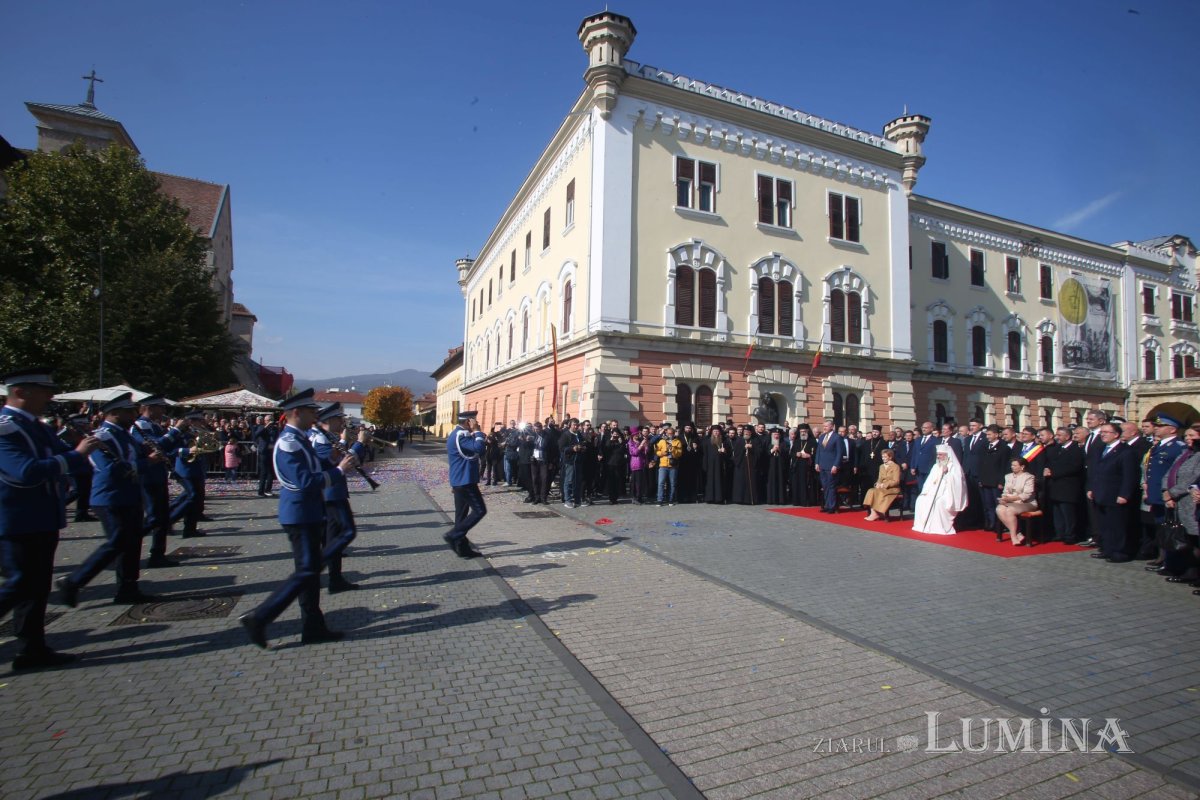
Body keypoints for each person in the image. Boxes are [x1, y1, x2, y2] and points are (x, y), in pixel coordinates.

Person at [239, 389, 358, 648]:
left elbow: (318, 466)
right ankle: (259, 617)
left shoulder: (300, 439)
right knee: (306, 571)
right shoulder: (289, 443)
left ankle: (313, 627)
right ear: (296, 412)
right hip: (299, 514)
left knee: (310, 575)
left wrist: (342, 457)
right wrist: (339, 471)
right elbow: (304, 482)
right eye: (310, 411)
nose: (315, 416)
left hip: (310, 513)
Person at [0, 368, 98, 670]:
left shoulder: (37, 427)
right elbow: (25, 472)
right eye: (44, 391)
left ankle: (31, 649)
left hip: (43, 516)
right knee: (20, 583)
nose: (50, 397)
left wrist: (81, 447)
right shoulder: (6, 428)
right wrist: (77, 454)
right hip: (16, 518)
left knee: (37, 588)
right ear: (21, 392)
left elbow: (71, 459)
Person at [57, 392, 157, 607]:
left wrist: (147, 455)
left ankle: (128, 588)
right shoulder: (102, 436)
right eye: (129, 412)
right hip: (110, 496)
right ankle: (73, 581)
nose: (134, 415)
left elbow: (133, 459)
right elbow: (110, 469)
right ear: (114, 413)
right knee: (117, 542)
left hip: (130, 494)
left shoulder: (124, 434)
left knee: (132, 543)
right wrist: (146, 462)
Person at [309, 403, 363, 594]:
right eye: (339, 419)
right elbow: (336, 462)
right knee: (338, 536)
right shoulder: (320, 439)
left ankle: (334, 577)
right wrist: (358, 443)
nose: (342, 423)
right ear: (330, 420)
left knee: (333, 538)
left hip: (331, 492)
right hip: (330, 494)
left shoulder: (326, 436)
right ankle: (325, 576)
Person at [1086, 422, 1137, 562]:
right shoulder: (1101, 449)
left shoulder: (1125, 451)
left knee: (1117, 526)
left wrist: (1124, 494)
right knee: (1104, 525)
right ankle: (1107, 549)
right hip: (1101, 493)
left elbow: (1129, 475)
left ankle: (1120, 552)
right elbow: (1096, 472)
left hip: (1115, 494)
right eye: (1101, 432)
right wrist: (1092, 488)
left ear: (1116, 434)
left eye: (1106, 432)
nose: (1102, 435)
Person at [445, 410, 487, 558]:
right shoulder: (461, 435)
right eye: (474, 420)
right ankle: (453, 535)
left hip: (460, 480)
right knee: (480, 510)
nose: (476, 422)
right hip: (465, 480)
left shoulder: (458, 434)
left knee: (461, 516)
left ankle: (462, 547)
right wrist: (477, 432)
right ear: (468, 421)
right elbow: (479, 449)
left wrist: (477, 435)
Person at [912, 444, 968, 535]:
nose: (938, 456)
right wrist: (926, 491)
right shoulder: (936, 466)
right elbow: (929, 481)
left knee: (938, 502)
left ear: (947, 455)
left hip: (947, 493)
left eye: (940, 454)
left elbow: (957, 483)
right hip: (932, 491)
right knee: (920, 499)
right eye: (937, 454)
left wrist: (947, 473)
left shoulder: (954, 466)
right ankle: (923, 525)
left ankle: (938, 527)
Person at [995, 457, 1038, 545]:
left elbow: (1027, 495)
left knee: (1010, 510)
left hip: (1027, 503)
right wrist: (1003, 498)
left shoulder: (1029, 477)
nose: (1012, 467)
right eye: (1012, 465)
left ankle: (1013, 536)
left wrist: (1011, 499)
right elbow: (1005, 491)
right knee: (999, 509)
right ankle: (1017, 533)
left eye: (1015, 465)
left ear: (1022, 467)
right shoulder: (1008, 476)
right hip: (1010, 502)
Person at [863, 448, 901, 521]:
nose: (883, 458)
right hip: (882, 487)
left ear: (890, 457)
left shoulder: (896, 466)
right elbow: (879, 478)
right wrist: (877, 484)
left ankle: (876, 513)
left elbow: (896, 481)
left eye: (885, 457)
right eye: (882, 457)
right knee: (871, 490)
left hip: (892, 488)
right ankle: (873, 512)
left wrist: (885, 485)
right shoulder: (881, 466)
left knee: (879, 492)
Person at [814, 420, 842, 513]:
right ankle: (826, 505)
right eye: (824, 426)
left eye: (826, 426)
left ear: (832, 427)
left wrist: (836, 465)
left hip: (831, 466)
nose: (824, 428)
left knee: (831, 486)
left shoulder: (837, 437)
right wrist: (817, 463)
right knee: (825, 486)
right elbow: (818, 451)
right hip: (822, 465)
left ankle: (832, 506)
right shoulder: (822, 437)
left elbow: (839, 453)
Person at [655, 426, 684, 506]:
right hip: (663, 465)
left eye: (671, 433)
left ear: (674, 434)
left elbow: (679, 453)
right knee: (661, 483)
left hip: (673, 465)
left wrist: (673, 449)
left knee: (672, 483)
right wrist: (663, 453)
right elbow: (656, 451)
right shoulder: (662, 441)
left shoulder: (677, 441)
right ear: (666, 433)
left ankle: (671, 500)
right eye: (668, 433)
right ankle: (659, 500)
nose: (670, 435)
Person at [252, 415, 279, 497]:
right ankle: (261, 491)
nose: (269, 421)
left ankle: (268, 489)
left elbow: (277, 437)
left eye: (270, 420)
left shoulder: (275, 429)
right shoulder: (262, 427)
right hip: (264, 451)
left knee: (271, 472)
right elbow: (256, 435)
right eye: (267, 420)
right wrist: (266, 426)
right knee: (263, 472)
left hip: (272, 451)